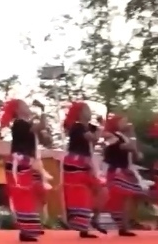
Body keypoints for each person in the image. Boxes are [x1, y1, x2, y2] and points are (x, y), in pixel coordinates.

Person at [0, 99, 49, 242]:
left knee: (37, 192)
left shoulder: (27, 125)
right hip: (19, 163)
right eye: (25, 105)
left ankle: (31, 226)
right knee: (24, 196)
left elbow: (45, 138)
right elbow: (41, 126)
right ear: (17, 110)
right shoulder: (19, 123)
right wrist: (43, 110)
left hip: (28, 163)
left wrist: (43, 131)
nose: (28, 107)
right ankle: (26, 230)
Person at [61, 101, 107, 237]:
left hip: (85, 163)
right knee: (83, 193)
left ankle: (93, 220)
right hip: (76, 163)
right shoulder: (78, 127)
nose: (89, 112)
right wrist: (101, 127)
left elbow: (97, 139)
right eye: (87, 109)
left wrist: (101, 128)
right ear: (80, 113)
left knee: (101, 190)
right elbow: (93, 138)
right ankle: (83, 227)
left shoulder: (88, 127)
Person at [101, 114, 146, 237]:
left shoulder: (124, 137)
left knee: (126, 198)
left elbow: (137, 155)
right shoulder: (113, 136)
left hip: (124, 170)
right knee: (123, 198)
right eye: (123, 121)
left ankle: (124, 225)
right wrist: (132, 135)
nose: (126, 124)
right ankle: (123, 225)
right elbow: (129, 147)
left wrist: (133, 141)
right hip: (116, 171)